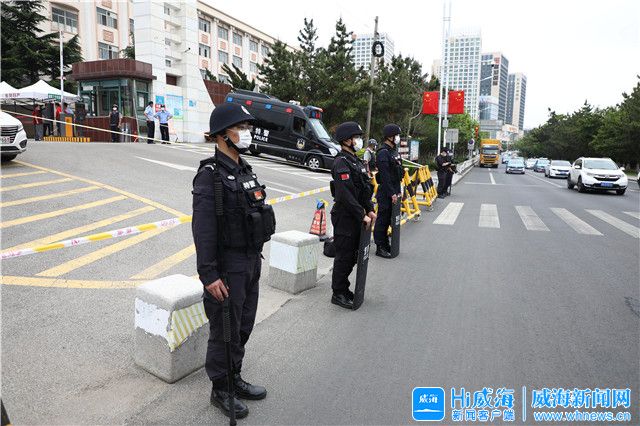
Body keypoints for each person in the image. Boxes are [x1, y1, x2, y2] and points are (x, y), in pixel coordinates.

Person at [192, 103, 275, 420]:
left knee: (242, 325)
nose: (246, 133)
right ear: (222, 134)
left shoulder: (245, 170)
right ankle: (221, 389)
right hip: (227, 268)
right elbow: (203, 230)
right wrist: (209, 275)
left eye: (247, 127)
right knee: (224, 330)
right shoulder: (210, 177)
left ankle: (234, 377)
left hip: (251, 261)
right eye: (240, 127)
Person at [330, 121, 376, 309]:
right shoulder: (341, 162)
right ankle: (338, 293)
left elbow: (363, 189)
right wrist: (361, 213)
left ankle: (344, 287)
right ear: (346, 140)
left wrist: (370, 208)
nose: (358, 140)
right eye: (356, 137)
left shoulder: (355, 161)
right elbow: (345, 194)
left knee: (353, 255)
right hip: (345, 217)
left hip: (357, 216)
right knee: (344, 256)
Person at [374, 124, 404, 258]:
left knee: (390, 220)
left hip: (395, 190)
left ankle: (386, 244)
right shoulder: (383, 152)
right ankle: (380, 246)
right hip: (386, 192)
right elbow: (385, 176)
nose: (398, 138)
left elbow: (398, 173)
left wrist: (398, 192)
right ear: (390, 136)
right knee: (383, 220)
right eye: (396, 135)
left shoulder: (394, 151)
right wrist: (392, 193)